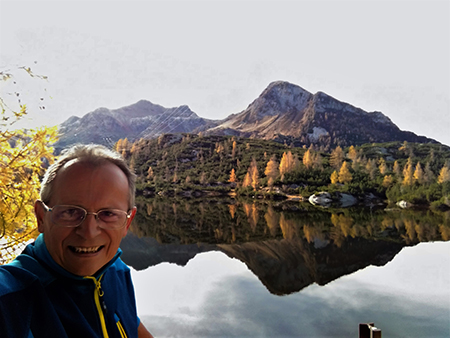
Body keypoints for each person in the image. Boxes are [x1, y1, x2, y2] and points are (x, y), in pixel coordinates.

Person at [0, 144, 154, 338]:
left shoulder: (115, 268)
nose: (89, 232)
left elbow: (130, 323)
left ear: (127, 222)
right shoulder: (11, 299)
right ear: (41, 218)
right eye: (70, 212)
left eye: (107, 214)